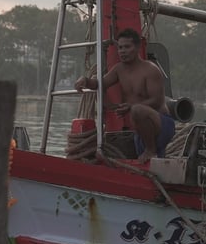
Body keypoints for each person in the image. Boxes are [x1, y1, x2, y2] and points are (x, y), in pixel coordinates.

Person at [74, 28, 175, 163]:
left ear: (138, 47)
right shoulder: (119, 69)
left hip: (162, 124)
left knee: (137, 110)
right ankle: (149, 154)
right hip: (141, 129)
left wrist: (130, 107)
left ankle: (151, 151)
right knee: (136, 111)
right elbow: (100, 83)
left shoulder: (150, 70)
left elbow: (157, 101)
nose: (122, 51)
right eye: (120, 47)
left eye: (127, 47)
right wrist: (85, 81)